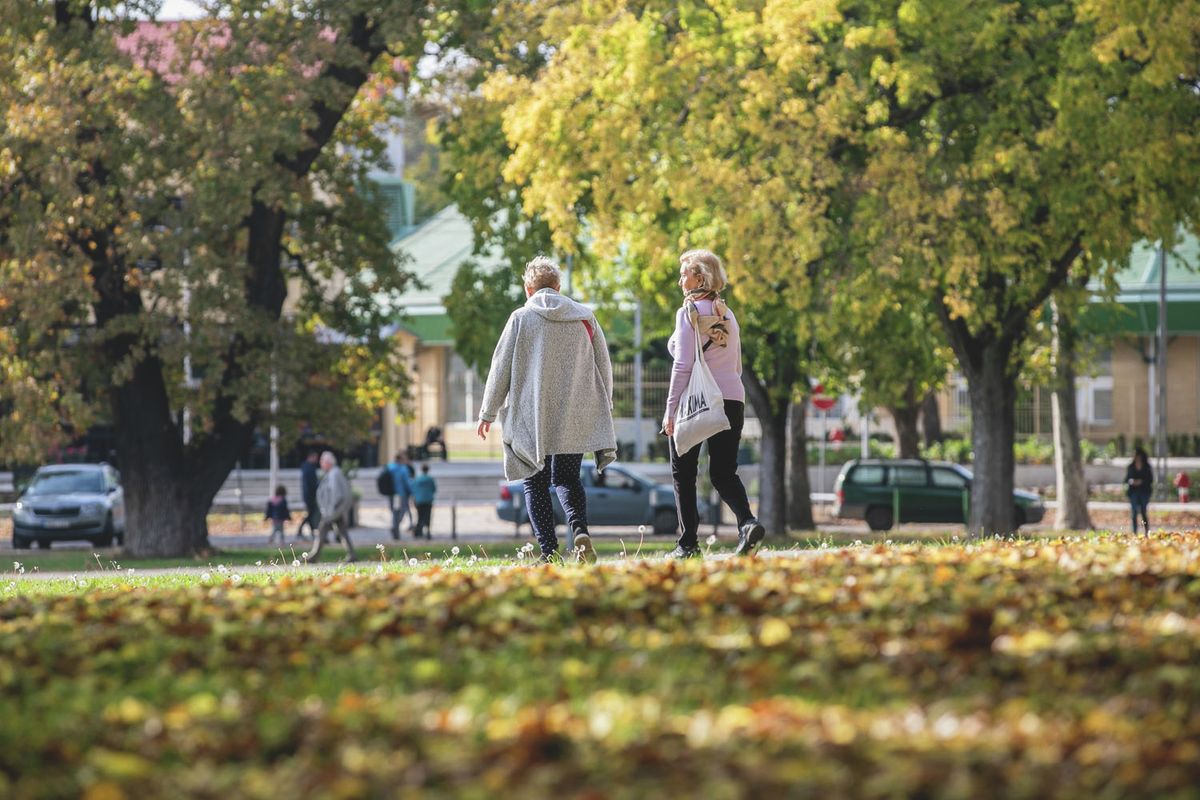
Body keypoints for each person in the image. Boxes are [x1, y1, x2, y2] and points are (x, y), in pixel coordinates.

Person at [476, 256, 617, 563]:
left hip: (533, 416)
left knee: (534, 480)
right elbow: (602, 365)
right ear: (557, 286)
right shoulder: (584, 317)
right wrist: (605, 403)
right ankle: (579, 530)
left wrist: (487, 412)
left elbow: (499, 368)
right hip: (575, 413)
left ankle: (549, 552)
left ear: (529, 289)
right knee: (567, 478)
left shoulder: (520, 318)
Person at [662, 249, 764, 559]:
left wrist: (670, 410)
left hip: (696, 400)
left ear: (700, 278)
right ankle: (747, 523)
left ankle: (688, 544)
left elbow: (682, 366)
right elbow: (736, 364)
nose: (681, 280)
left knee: (683, 471)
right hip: (731, 397)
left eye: (685, 274)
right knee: (723, 472)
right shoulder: (728, 314)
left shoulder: (687, 313)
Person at [306, 451, 357, 562]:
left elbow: (336, 494)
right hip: (334, 510)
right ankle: (352, 555)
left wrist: (331, 510)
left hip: (332, 511)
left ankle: (314, 556)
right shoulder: (334, 473)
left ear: (329, 462)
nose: (321, 464)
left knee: (322, 530)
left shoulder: (334, 474)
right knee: (342, 532)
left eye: (322, 462)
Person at [387, 452, 415, 539]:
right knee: (401, 512)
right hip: (401, 494)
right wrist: (412, 492)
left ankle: (395, 529)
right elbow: (407, 483)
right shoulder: (403, 469)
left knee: (394, 512)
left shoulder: (389, 467)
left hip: (391, 494)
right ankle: (395, 528)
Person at [1126, 447, 1153, 535]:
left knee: (1143, 512)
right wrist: (1132, 481)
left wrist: (1141, 481)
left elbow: (1150, 479)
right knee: (1134, 513)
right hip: (1134, 492)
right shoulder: (1131, 466)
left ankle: (1146, 530)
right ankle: (1134, 532)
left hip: (1144, 492)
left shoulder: (1147, 467)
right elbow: (1127, 479)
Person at [410, 463, 437, 539]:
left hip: (419, 500)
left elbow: (414, 490)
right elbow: (434, 489)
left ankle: (419, 531)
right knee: (428, 516)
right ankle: (428, 532)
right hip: (428, 500)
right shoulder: (430, 479)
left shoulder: (417, 479)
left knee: (420, 516)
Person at [297, 451, 320, 540]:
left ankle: (311, 532)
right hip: (309, 495)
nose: (316, 460)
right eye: (315, 458)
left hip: (309, 495)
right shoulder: (309, 468)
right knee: (311, 513)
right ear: (310, 457)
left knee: (311, 513)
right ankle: (301, 530)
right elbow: (312, 483)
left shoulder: (308, 467)